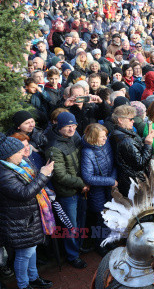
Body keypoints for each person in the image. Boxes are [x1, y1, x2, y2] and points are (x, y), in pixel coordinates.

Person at [0, 133, 54, 289]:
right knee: (24, 255)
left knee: (32, 249)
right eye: (18, 152)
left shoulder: (19, 165)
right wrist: (43, 175)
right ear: (7, 156)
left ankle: (33, 277)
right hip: (19, 221)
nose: (23, 153)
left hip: (28, 217)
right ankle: (23, 285)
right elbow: (24, 194)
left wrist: (44, 173)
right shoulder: (4, 173)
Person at [46, 112, 88, 269]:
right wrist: (81, 183)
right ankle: (72, 255)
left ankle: (79, 246)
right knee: (70, 226)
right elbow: (60, 176)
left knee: (80, 221)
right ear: (60, 127)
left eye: (74, 125)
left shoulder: (74, 137)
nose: (72, 129)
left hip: (80, 189)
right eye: (68, 126)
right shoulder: (54, 147)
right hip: (67, 192)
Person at [81, 123, 117, 256]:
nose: (105, 139)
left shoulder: (105, 145)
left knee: (110, 216)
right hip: (97, 192)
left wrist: (113, 179)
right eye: (102, 137)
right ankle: (99, 244)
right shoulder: (87, 152)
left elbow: (113, 164)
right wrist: (110, 181)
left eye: (105, 136)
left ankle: (109, 240)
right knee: (100, 219)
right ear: (93, 138)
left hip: (109, 188)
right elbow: (88, 177)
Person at [110, 105, 154, 197]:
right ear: (120, 120)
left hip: (129, 180)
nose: (133, 121)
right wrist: (148, 144)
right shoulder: (126, 140)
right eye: (130, 119)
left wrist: (144, 140)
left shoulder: (120, 133)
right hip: (134, 182)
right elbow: (140, 163)